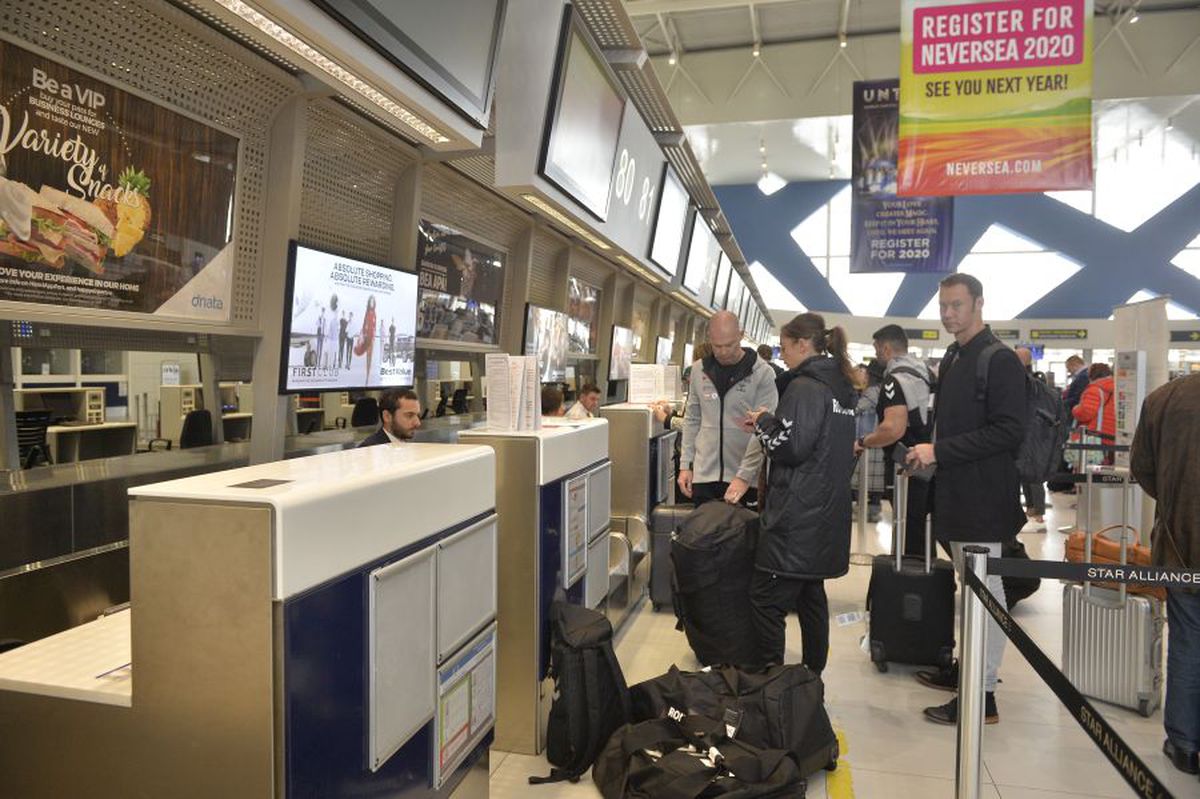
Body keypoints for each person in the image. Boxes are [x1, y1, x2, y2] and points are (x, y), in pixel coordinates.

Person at [906, 273, 1027, 726]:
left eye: (957, 305)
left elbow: (1009, 430)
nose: (948, 313)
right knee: (969, 591)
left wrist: (940, 451)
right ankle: (966, 670)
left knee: (985, 595)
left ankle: (984, 693)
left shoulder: (998, 360)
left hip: (983, 500)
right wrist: (931, 456)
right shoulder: (956, 356)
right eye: (943, 306)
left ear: (979, 303)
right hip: (955, 495)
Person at [742, 312, 858, 674]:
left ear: (802, 344)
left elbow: (791, 448)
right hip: (826, 513)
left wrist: (763, 422)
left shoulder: (805, 387)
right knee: (811, 597)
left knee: (765, 600)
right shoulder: (840, 387)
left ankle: (771, 683)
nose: (782, 354)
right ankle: (810, 679)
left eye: (784, 346)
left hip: (797, 516)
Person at [1130, 373, 1200, 777]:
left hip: (1182, 545)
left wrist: (1175, 501)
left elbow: (1143, 468)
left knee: (1188, 641)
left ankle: (1186, 743)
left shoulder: (1166, 397)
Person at [679, 311, 778, 506]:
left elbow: (764, 430)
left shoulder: (763, 374)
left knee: (741, 534)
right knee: (702, 534)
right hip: (704, 476)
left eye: (729, 345)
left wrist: (744, 476)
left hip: (744, 480)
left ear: (741, 335)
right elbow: (692, 419)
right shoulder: (699, 370)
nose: (723, 352)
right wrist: (685, 465)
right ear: (709, 339)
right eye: (717, 346)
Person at [855, 325, 934, 556]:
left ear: (886, 348)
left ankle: (908, 583)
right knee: (920, 527)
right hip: (928, 461)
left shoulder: (894, 379)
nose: (876, 354)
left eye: (877, 349)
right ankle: (923, 580)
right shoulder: (924, 373)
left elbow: (893, 429)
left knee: (908, 527)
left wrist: (864, 441)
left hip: (907, 465)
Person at [1015, 347, 1047, 531]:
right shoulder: (1030, 379)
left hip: (1032, 432)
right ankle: (1032, 508)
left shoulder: (1030, 380)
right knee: (1025, 473)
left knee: (1033, 474)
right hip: (1027, 431)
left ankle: (1039, 512)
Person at [357, 388, 422, 447]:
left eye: (418, 415)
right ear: (387, 416)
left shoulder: (409, 445)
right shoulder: (370, 450)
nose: (418, 423)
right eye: (409, 416)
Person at [1073, 363, 1115, 443]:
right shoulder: (1115, 388)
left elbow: (1086, 413)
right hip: (1111, 433)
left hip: (1095, 434)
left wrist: (1075, 409)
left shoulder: (1095, 390)